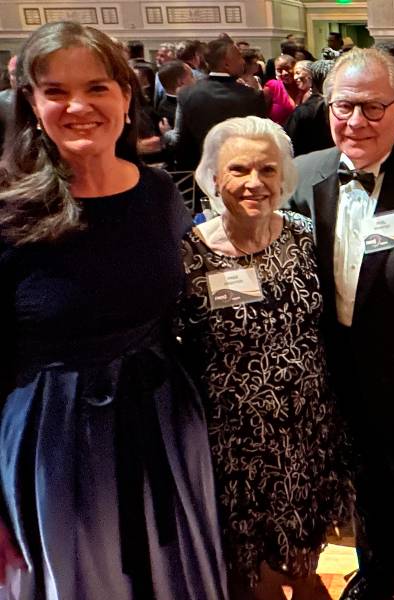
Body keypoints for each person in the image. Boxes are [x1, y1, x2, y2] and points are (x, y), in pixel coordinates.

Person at [0, 21, 227, 599]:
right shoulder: (9, 212)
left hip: (163, 421)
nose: (78, 106)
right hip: (52, 437)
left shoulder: (157, 194)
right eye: (55, 91)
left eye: (97, 87)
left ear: (127, 97)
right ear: (31, 102)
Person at [286, 48, 394, 600]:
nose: (356, 122)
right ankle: (375, 572)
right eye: (343, 107)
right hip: (334, 378)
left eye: (373, 109)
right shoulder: (301, 177)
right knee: (363, 489)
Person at [177, 116, 352, 600]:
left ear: (283, 177)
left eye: (268, 170)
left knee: (306, 564)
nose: (255, 183)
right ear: (214, 178)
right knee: (254, 580)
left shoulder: (302, 235)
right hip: (235, 444)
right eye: (239, 170)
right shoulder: (189, 254)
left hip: (307, 431)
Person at [175, 38, 266, 169]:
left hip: (201, 172)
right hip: (240, 169)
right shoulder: (252, 96)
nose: (242, 62)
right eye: (239, 57)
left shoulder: (187, 94)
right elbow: (259, 139)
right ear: (226, 64)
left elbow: (183, 143)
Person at [283, 60, 334, 157]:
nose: (295, 77)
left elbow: (287, 143)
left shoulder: (303, 112)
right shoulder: (342, 108)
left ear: (311, 78)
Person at [263, 54, 300, 125]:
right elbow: (262, 114)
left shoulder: (302, 86)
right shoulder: (272, 86)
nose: (284, 73)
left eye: (287, 68)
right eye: (279, 70)